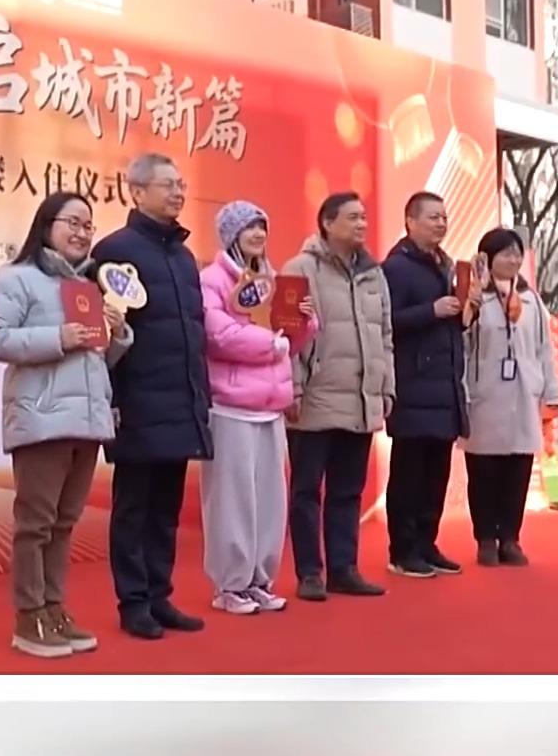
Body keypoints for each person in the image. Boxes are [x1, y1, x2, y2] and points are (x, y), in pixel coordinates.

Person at [0, 193, 131, 658]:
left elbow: (98, 356)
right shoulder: (17, 278)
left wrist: (116, 333)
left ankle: (53, 607)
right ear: (46, 224)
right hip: (41, 417)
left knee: (65, 523)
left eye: (88, 225)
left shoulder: (90, 284)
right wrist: (59, 336)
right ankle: (28, 616)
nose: (82, 233)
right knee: (36, 524)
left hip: (86, 420)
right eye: (73, 222)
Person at [92, 153, 213, 640]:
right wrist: (114, 400)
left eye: (181, 184)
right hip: (137, 400)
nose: (179, 193)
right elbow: (107, 335)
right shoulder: (114, 251)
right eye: (168, 185)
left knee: (166, 508)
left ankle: (160, 596)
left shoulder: (183, 257)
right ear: (137, 192)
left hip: (180, 399)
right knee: (133, 508)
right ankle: (134, 602)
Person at [197, 201, 316, 615]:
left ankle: (259, 579)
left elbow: (290, 342)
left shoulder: (273, 279)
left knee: (269, 500)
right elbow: (220, 336)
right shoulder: (211, 280)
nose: (258, 234)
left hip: (270, 407)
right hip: (230, 407)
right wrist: (272, 343)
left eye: (262, 227)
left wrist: (304, 323)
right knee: (231, 501)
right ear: (231, 234)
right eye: (249, 227)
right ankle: (230, 584)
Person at [284, 192, 393, 600]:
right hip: (315, 396)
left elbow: (386, 336)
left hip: (360, 397)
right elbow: (288, 335)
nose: (362, 224)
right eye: (352, 217)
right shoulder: (300, 268)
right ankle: (310, 572)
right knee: (307, 490)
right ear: (327, 223)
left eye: (364, 217)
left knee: (348, 490)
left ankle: (344, 569)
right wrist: (293, 386)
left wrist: (386, 386)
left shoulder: (374, 274)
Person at [458, 228, 558, 566]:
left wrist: (551, 390)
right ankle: (485, 538)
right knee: (484, 470)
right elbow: (462, 344)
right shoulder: (475, 296)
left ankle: (510, 538)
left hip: (523, 394)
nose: (513, 259)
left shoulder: (531, 300)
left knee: (517, 469)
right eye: (505, 253)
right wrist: (470, 306)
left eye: (517, 253)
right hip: (485, 393)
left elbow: (544, 349)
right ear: (487, 258)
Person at [380, 191, 467, 579]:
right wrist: (430, 311)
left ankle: (427, 544)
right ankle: (402, 550)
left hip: (444, 385)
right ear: (410, 221)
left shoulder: (445, 265)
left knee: (436, 474)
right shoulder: (396, 268)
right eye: (433, 217)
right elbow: (387, 321)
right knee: (409, 474)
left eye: (444, 217)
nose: (441, 223)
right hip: (412, 384)